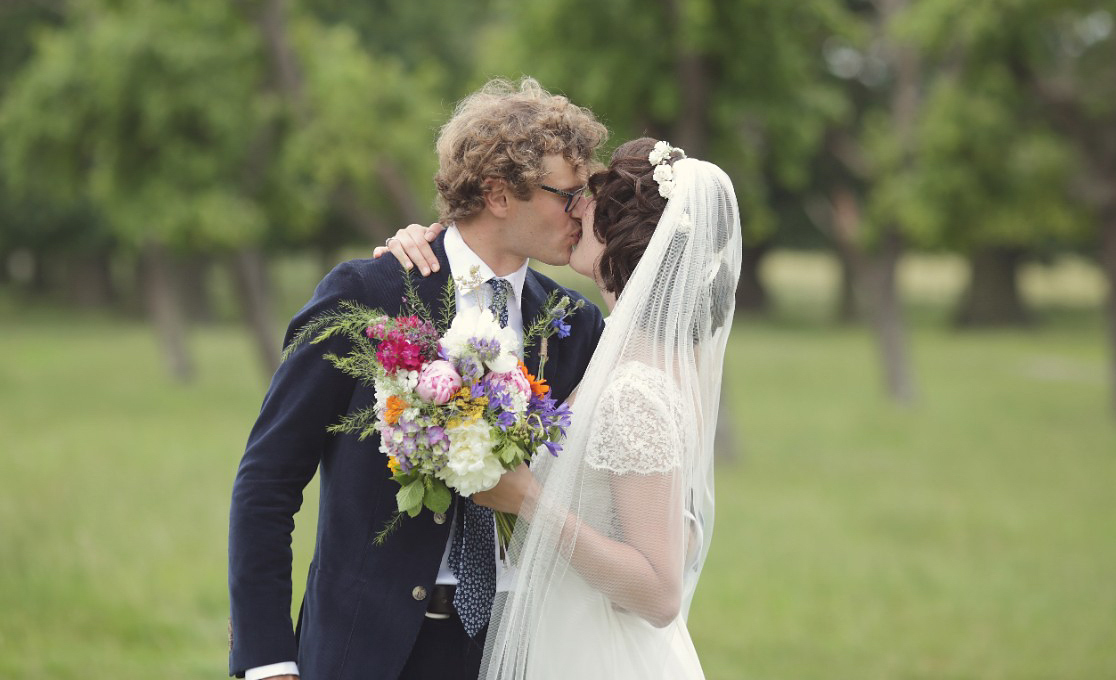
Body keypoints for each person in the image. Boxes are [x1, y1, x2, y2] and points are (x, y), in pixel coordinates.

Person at [227, 78, 608, 680]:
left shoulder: (574, 324)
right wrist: (268, 660)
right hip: (367, 650)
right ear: (498, 193)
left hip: (514, 650)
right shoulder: (368, 295)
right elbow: (267, 482)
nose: (582, 210)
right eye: (568, 195)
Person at [382, 137, 742, 678]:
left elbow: (660, 592)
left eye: (586, 199)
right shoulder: (621, 351)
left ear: (621, 231)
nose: (573, 210)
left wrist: (529, 500)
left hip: (596, 652)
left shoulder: (633, 388)